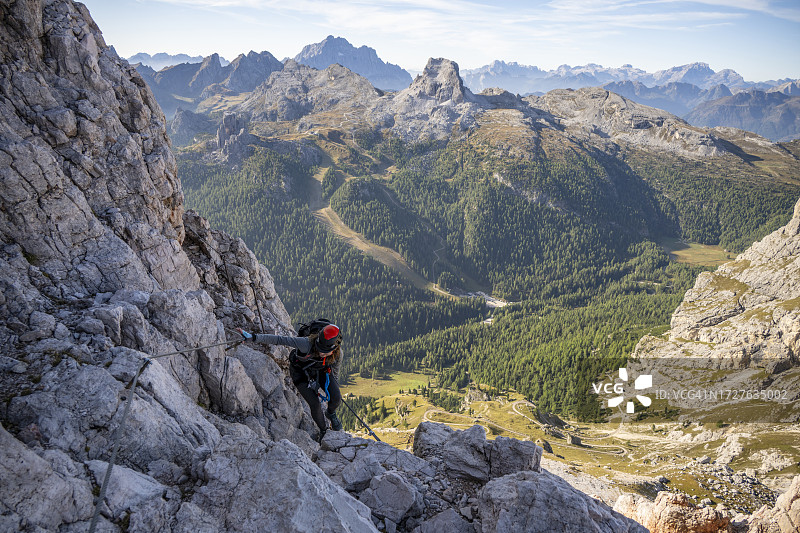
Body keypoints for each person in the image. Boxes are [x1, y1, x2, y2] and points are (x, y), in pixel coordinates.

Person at [236, 323, 343, 441]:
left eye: (325, 351)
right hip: (300, 373)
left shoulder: (338, 355)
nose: (321, 352)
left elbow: (335, 374)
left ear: (334, 349)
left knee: (337, 397)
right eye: (319, 348)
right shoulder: (306, 344)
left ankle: (330, 413)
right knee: (315, 404)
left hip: (320, 370)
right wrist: (253, 337)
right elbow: (280, 340)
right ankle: (323, 430)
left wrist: (334, 390)